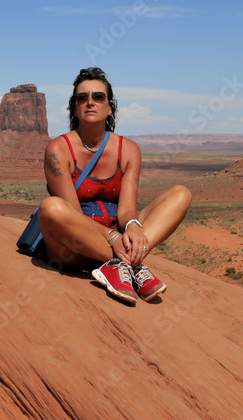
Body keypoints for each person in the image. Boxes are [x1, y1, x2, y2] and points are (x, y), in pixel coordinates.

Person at [37, 67, 192, 305]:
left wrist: (133, 227)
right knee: (51, 208)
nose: (90, 102)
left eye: (98, 97)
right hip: (74, 247)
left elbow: (127, 209)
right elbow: (73, 215)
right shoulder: (58, 151)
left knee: (181, 194)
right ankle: (129, 263)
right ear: (75, 108)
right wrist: (112, 237)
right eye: (82, 98)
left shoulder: (129, 150)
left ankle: (121, 263)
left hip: (117, 237)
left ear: (110, 107)